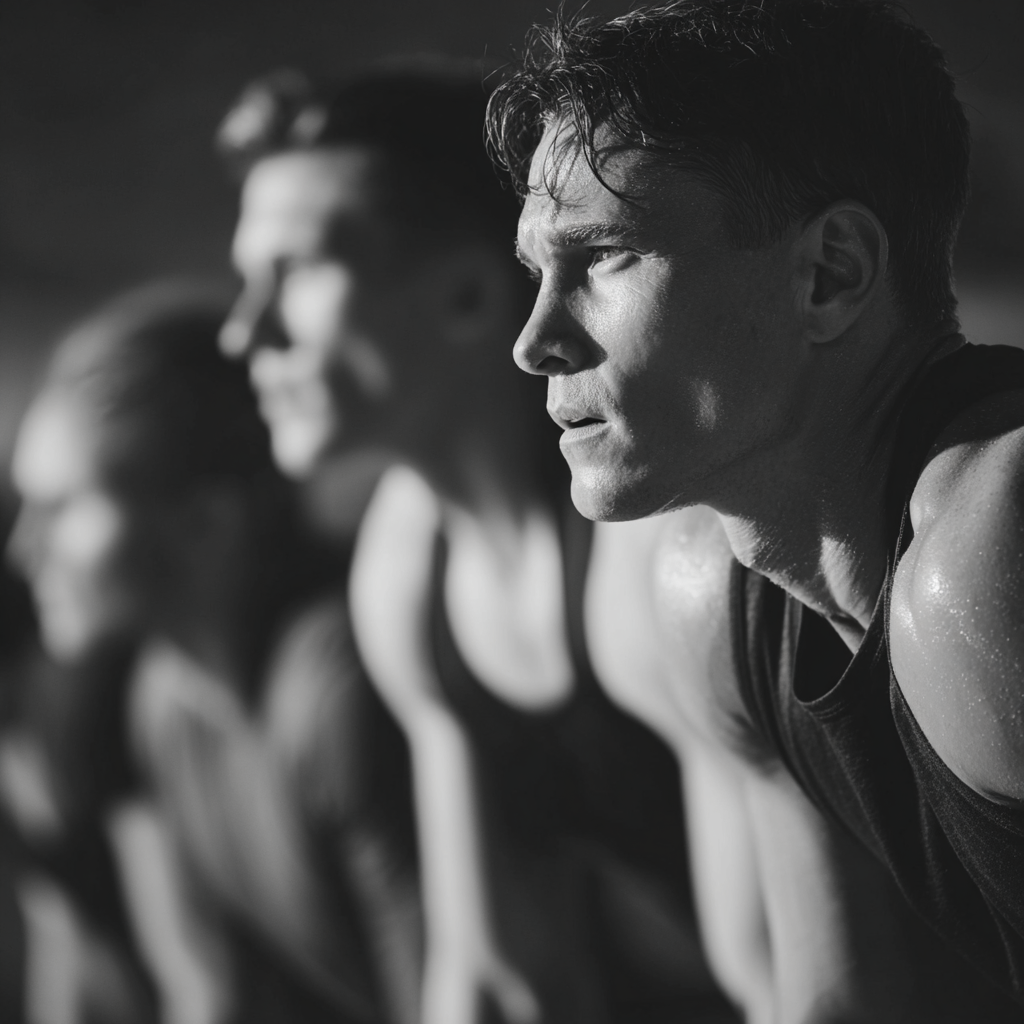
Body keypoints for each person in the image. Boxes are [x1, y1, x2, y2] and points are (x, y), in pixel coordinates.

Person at [488, 0, 1024, 1020]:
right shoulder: (720, 594)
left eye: (603, 256)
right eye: (534, 272)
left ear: (829, 276)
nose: (535, 340)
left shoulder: (992, 555)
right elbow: (839, 1003)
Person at [219, 60, 726, 1024]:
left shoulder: (661, 543)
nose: (245, 334)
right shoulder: (409, 566)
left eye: (297, 275)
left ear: (466, 292)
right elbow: (496, 976)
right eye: (246, 282)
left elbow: (819, 985)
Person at [9, 282, 418, 1024]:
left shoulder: (342, 690)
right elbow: (215, 999)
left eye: (63, 507)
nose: (22, 547)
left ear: (207, 517)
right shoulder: (162, 702)